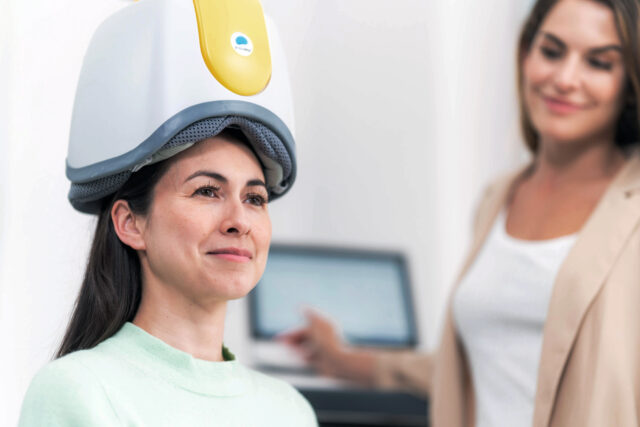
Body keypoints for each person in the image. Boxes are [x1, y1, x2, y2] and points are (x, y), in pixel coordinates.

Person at [282, 0, 640, 426]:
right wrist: (345, 359)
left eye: (598, 63)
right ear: (526, 54)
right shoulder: (498, 197)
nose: (564, 78)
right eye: (551, 51)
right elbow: (469, 369)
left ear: (629, 83)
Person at [18, 1, 316, 425]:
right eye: (207, 191)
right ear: (129, 222)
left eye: (255, 198)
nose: (239, 220)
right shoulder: (80, 391)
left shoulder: (290, 411)